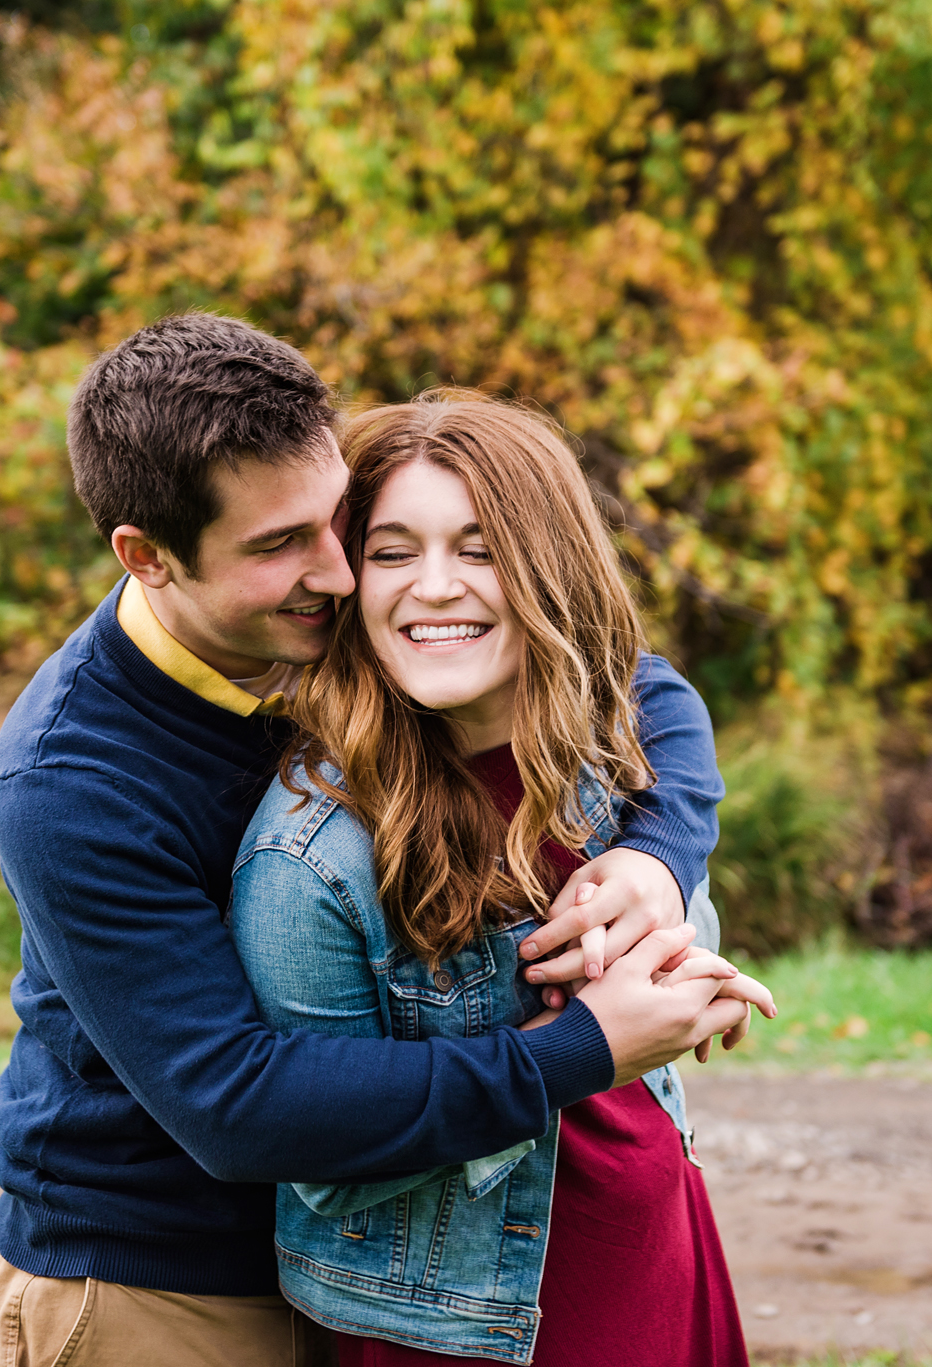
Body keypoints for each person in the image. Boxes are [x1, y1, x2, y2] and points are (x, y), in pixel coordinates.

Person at [0, 314, 753, 1367]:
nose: (337, 573)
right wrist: (586, 1047)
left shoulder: (333, 610)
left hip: (372, 1258)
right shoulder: (70, 780)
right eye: (280, 545)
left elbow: (623, 678)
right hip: (154, 1284)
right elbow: (237, 1105)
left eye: (335, 519)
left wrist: (659, 851)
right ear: (148, 558)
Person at [229, 393, 771, 1366]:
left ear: (546, 565)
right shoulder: (310, 853)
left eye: (478, 548)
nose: (433, 586)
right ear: (349, 577)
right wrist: (583, 1042)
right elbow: (319, 1161)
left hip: (649, 1238)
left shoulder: (613, 769)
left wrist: (683, 975)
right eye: (392, 551)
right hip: (452, 1318)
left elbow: (653, 689)